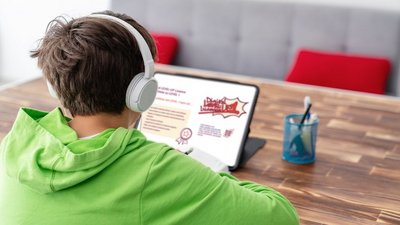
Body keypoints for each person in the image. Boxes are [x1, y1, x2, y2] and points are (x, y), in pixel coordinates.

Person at [0, 10, 299, 225]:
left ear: (55, 86)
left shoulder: (17, 146)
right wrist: (204, 170)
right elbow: (280, 216)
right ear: (141, 92)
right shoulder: (157, 169)